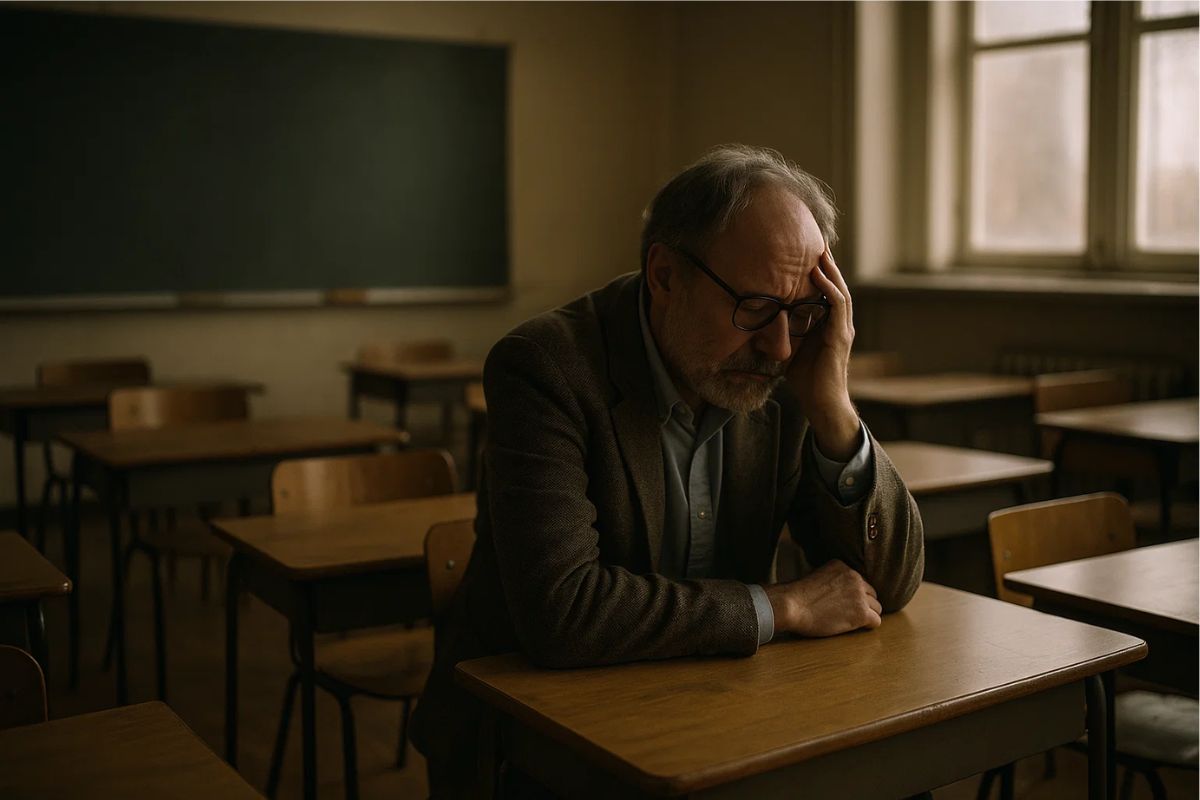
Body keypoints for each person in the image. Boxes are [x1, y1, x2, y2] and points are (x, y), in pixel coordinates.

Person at [411, 144, 925, 797]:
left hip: (711, 708)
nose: (781, 345)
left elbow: (893, 584)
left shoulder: (793, 368)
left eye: (802, 312)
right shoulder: (544, 367)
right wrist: (779, 605)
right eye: (756, 308)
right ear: (664, 276)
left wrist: (832, 408)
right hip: (532, 739)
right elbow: (562, 612)